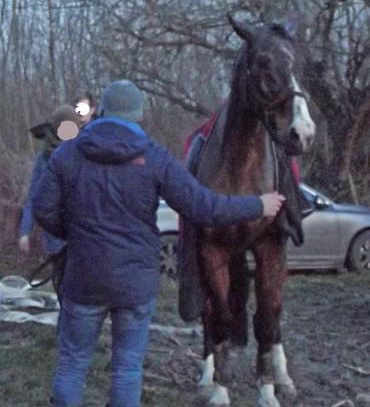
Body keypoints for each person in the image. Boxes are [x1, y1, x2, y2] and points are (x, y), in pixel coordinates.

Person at [32, 80, 285, 407]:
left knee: (72, 363)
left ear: (103, 111)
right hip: (135, 283)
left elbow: (42, 208)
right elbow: (204, 207)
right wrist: (257, 205)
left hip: (84, 279)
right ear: (139, 116)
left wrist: (75, 233)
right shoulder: (153, 157)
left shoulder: (68, 153)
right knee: (127, 368)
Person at [18, 105, 80, 256]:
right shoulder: (44, 158)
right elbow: (34, 196)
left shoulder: (84, 152)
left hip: (82, 237)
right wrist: (25, 232)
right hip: (55, 238)